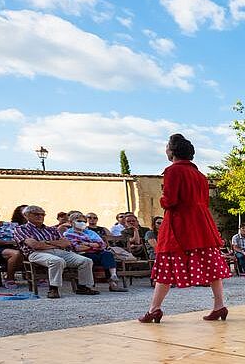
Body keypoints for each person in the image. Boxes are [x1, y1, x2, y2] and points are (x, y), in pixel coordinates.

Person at [140, 134, 230, 324]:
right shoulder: (200, 176)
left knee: (167, 264)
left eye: (167, 146)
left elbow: (170, 201)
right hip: (202, 223)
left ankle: (154, 309)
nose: (165, 149)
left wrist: (162, 199)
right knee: (211, 264)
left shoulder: (173, 171)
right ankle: (219, 305)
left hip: (179, 224)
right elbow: (204, 201)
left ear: (173, 151)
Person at [13, 205, 98, 299]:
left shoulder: (51, 229)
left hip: (58, 251)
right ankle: (54, 289)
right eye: (36, 214)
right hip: (36, 253)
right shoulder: (21, 229)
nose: (40, 216)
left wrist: (46, 242)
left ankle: (83, 287)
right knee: (57, 261)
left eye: (42, 214)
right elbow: (35, 245)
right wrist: (56, 243)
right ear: (26, 215)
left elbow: (66, 243)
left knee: (86, 261)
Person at [63, 211, 127, 292]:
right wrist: (93, 245)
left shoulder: (89, 232)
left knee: (107, 255)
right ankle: (89, 285)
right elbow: (77, 248)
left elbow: (101, 244)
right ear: (71, 222)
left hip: (96, 252)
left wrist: (87, 244)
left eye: (84, 221)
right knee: (90, 259)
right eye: (79, 221)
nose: (82, 223)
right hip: (82, 255)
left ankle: (113, 281)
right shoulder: (68, 234)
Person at [0, 208, 23, 288]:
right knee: (15, 253)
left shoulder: (11, 225)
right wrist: (10, 242)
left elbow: (20, 234)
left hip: (17, 245)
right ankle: (10, 278)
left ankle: (38, 276)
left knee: (32, 249)